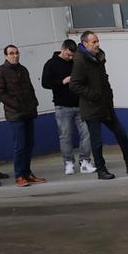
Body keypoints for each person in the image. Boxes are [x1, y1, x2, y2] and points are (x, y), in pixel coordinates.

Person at [69, 32, 128, 179]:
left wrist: (107, 95)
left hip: (105, 105)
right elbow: (74, 85)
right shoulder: (80, 60)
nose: (97, 44)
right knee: (97, 140)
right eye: (93, 42)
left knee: (121, 133)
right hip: (92, 107)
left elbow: (102, 80)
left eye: (97, 41)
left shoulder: (98, 57)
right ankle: (101, 169)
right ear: (85, 44)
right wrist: (93, 95)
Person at [0, 45, 43, 186]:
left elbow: (30, 88)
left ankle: (27, 173)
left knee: (29, 144)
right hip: (15, 114)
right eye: (11, 53)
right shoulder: (1, 71)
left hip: (28, 112)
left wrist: (34, 103)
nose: (15, 56)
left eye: (16, 53)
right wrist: (15, 104)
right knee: (20, 145)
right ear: (6, 56)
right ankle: (19, 175)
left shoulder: (23, 69)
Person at [40, 39, 91, 176]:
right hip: (62, 106)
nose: (70, 58)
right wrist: (62, 81)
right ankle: (68, 162)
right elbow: (45, 83)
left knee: (87, 133)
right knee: (65, 136)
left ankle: (85, 161)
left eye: (72, 55)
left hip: (80, 104)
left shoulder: (76, 62)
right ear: (62, 49)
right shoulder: (51, 64)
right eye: (68, 55)